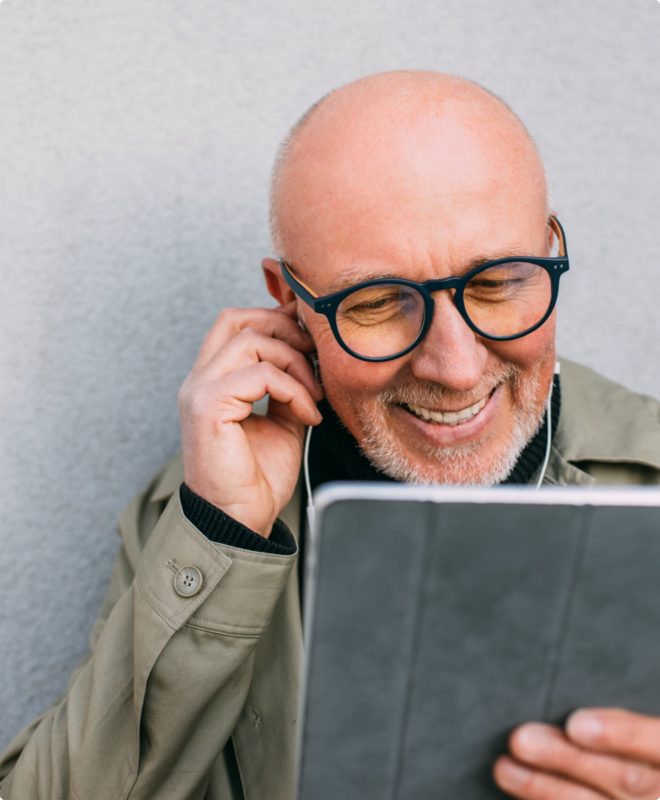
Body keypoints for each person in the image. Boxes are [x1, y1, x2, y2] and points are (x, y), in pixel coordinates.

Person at [1, 70, 660, 800]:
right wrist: (223, 534)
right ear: (290, 301)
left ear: (550, 247)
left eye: (499, 283)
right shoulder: (204, 510)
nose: (456, 366)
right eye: (378, 303)